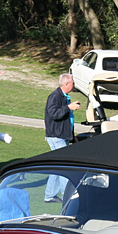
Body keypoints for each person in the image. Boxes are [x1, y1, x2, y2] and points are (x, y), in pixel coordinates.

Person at [43, 74, 83, 202]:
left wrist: (72, 136)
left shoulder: (64, 97)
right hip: (56, 136)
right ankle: (67, 195)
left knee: (57, 166)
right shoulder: (55, 96)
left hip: (61, 135)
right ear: (66, 84)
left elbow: (66, 119)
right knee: (64, 167)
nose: (74, 85)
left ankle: (49, 195)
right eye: (72, 83)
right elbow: (53, 113)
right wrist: (68, 107)